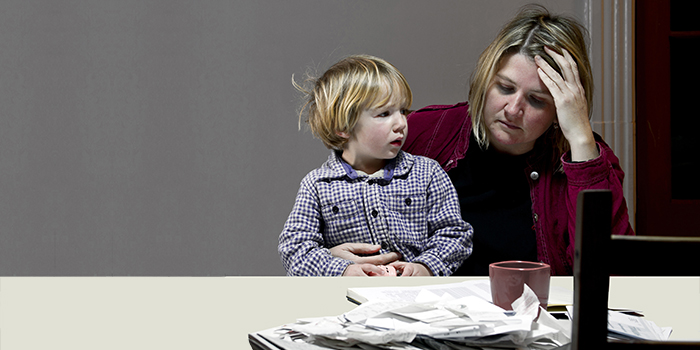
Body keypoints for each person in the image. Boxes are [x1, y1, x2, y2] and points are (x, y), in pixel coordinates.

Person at [331, 5, 634, 276]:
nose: (514, 110)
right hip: (428, 320)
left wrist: (581, 138)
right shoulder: (424, 133)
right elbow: (336, 211)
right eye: (504, 88)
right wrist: (331, 256)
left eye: (537, 101)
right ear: (485, 80)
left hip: (532, 327)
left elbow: (614, 274)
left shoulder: (588, 159)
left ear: (561, 109)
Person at [279, 55, 473, 276]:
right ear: (343, 126)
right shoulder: (317, 185)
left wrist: (425, 267)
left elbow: (454, 234)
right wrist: (343, 271)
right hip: (348, 300)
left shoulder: (427, 174)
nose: (401, 123)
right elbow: (295, 250)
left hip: (416, 299)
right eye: (384, 114)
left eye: (403, 111)